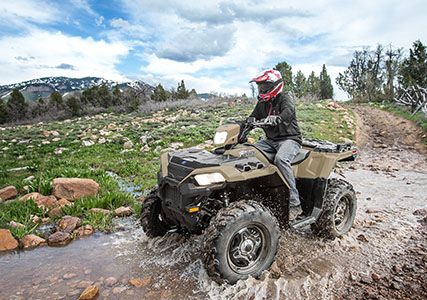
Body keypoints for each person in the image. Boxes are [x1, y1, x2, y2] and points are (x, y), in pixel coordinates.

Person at [248, 69, 303, 220]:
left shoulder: (285, 98)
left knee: (281, 159)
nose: (262, 90)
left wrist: (277, 118)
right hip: (270, 141)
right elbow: (253, 116)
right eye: (260, 87)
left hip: (290, 139)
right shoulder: (262, 103)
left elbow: (288, 112)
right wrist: (246, 122)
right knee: (247, 153)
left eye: (265, 87)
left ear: (275, 86)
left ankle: (294, 203)